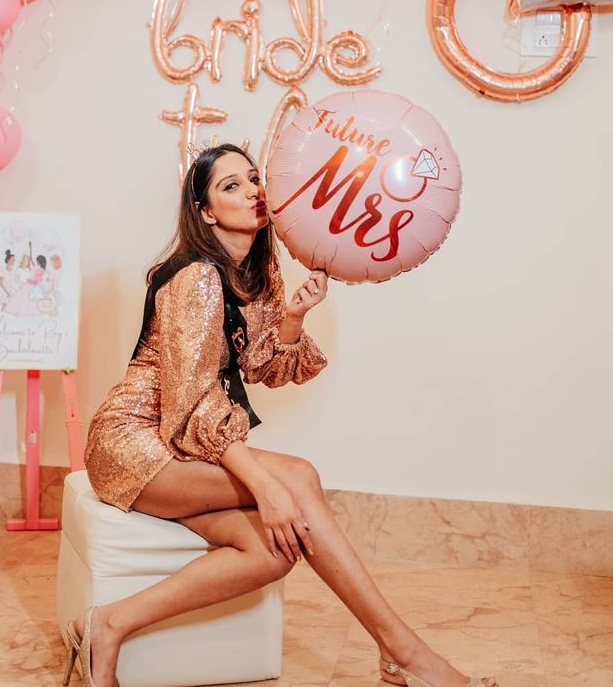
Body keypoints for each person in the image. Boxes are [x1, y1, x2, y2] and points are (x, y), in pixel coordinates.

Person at [67, 143, 497, 687]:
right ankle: (403, 652)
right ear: (204, 211)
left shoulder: (253, 273)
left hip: (182, 447)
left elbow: (266, 367)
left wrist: (291, 318)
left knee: (273, 550)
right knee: (296, 481)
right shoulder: (194, 276)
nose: (252, 190)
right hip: (136, 443)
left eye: (253, 178)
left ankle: (109, 623)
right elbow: (194, 402)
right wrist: (267, 488)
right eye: (230, 186)